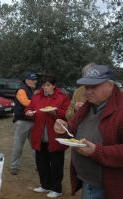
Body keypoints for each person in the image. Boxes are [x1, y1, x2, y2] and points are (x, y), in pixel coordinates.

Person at [54, 64, 123, 199]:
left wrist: (96, 152)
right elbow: (71, 129)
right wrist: (63, 128)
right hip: (87, 180)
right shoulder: (88, 106)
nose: (87, 92)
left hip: (110, 186)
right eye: (86, 87)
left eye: (94, 87)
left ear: (110, 85)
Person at [25, 74, 70, 198]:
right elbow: (29, 108)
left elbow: (68, 114)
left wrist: (55, 112)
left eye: (48, 85)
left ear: (54, 86)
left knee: (56, 164)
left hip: (56, 136)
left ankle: (57, 189)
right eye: (44, 85)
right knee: (41, 163)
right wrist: (28, 112)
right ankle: (45, 185)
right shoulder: (36, 97)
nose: (45, 88)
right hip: (40, 136)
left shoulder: (62, 97)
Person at [9, 72, 38, 175]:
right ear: (26, 80)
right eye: (32, 79)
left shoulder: (32, 90)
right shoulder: (22, 90)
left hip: (33, 121)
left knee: (36, 145)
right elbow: (26, 103)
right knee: (18, 145)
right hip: (22, 122)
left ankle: (40, 166)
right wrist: (39, 103)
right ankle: (14, 167)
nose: (34, 81)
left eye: (35, 79)